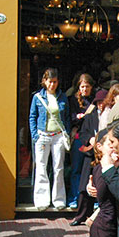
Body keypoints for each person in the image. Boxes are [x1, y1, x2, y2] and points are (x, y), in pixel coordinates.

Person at [29, 68, 71, 211]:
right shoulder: (38, 97)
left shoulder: (62, 97)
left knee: (58, 168)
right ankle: (41, 200)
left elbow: (66, 118)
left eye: (54, 82)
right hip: (43, 135)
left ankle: (59, 200)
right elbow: (32, 117)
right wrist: (35, 135)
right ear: (44, 81)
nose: (52, 85)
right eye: (50, 82)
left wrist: (67, 133)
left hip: (58, 136)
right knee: (41, 167)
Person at [70, 90, 107, 226]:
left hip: (105, 156)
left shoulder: (111, 116)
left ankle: (98, 216)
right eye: (99, 103)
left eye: (103, 102)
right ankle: (81, 215)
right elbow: (83, 133)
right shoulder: (90, 116)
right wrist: (90, 140)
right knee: (84, 185)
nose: (101, 105)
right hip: (90, 154)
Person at [68, 74, 95, 210]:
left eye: (87, 86)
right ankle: (75, 197)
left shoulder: (95, 101)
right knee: (76, 169)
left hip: (92, 139)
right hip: (79, 138)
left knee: (92, 169)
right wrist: (80, 117)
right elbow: (71, 118)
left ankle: (91, 200)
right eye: (82, 86)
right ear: (78, 87)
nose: (85, 89)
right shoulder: (73, 100)